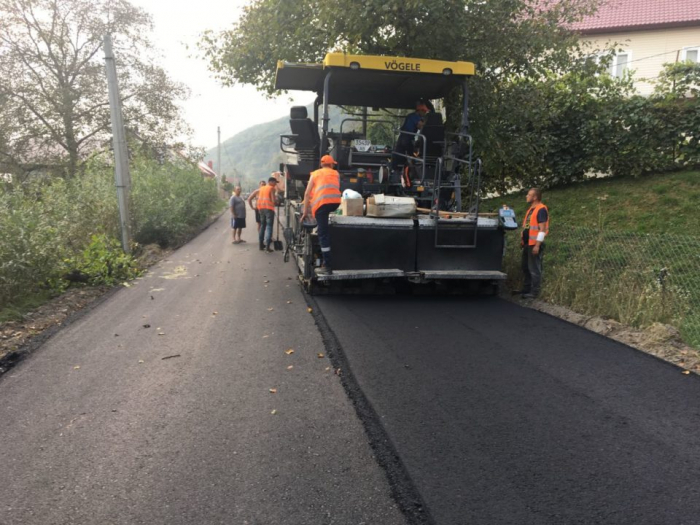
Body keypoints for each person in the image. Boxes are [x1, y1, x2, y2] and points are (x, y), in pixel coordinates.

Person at [301, 155, 342, 275]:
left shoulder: (315, 174)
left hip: (322, 205)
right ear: (331, 164)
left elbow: (307, 193)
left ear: (322, 164)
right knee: (324, 228)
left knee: (323, 234)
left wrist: (305, 212)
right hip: (335, 203)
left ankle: (327, 266)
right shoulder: (336, 174)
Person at [519, 188, 549, 299]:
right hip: (527, 243)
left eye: (529, 195)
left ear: (535, 197)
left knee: (534, 268)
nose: (527, 196)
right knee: (525, 267)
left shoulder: (541, 209)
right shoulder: (531, 209)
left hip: (534, 244)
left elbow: (542, 229)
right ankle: (526, 289)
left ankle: (534, 292)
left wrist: (537, 245)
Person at [391, 100, 429, 171]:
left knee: (399, 155)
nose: (425, 113)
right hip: (406, 138)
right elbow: (421, 126)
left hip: (403, 138)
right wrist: (427, 121)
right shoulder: (415, 116)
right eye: (424, 111)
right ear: (419, 110)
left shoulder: (411, 116)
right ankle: (411, 169)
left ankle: (396, 170)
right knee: (411, 155)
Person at [248, 175, 282, 252]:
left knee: (262, 226)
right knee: (269, 227)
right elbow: (273, 201)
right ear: (271, 182)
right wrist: (277, 201)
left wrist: (253, 208)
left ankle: (261, 245)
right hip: (269, 210)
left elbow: (249, 198)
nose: (275, 184)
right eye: (275, 183)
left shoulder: (261, 189)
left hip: (261, 210)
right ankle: (267, 246)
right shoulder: (271, 188)